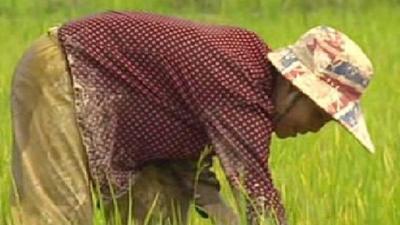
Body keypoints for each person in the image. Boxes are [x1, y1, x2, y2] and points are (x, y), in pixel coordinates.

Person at [9, 11, 375, 225]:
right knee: (58, 215)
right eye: (319, 115)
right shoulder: (243, 85)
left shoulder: (243, 84)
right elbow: (258, 198)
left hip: (118, 104)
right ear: (297, 88)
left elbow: (194, 172)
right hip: (65, 69)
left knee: (162, 205)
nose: (313, 129)